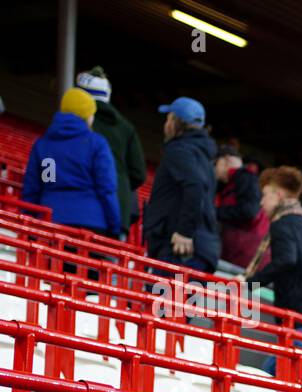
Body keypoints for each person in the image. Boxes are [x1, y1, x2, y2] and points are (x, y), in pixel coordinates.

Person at [241, 166, 302, 374]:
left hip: (298, 316)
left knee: (298, 381)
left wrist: (249, 283)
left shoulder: (281, 225)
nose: (261, 202)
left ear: (278, 195)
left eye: (265, 196)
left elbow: (286, 260)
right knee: (271, 375)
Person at [21, 89, 120, 238]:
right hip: (92, 223)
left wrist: (29, 221)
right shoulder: (97, 144)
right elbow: (106, 188)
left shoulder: (44, 146)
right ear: (87, 116)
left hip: (51, 220)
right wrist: (114, 225)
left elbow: (37, 187)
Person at [142, 97, 218, 272]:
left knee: (163, 299)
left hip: (180, 250)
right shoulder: (202, 156)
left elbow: (195, 185)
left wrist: (185, 232)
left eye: (169, 118)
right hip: (199, 249)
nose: (165, 124)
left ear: (177, 122)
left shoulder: (180, 150)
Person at [74, 67, 145, 240]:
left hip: (80, 211)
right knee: (107, 265)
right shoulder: (127, 128)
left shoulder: (76, 122)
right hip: (117, 213)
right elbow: (138, 173)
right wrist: (118, 184)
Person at [214, 143, 266, 269]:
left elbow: (249, 211)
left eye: (216, 164)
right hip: (238, 254)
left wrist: (214, 212)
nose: (215, 170)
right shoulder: (236, 181)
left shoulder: (245, 178)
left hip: (243, 256)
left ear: (226, 160)